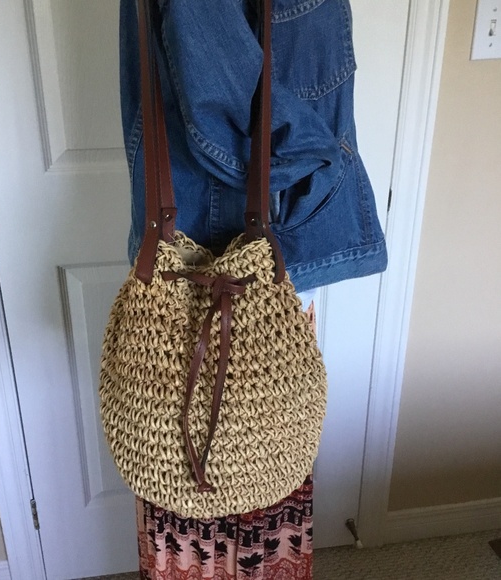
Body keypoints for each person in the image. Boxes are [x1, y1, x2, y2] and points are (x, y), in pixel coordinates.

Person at [119, 0, 387, 577]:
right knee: (229, 455)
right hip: (229, 233)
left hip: (253, 237)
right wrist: (324, 161)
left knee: (253, 449)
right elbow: (222, 98)